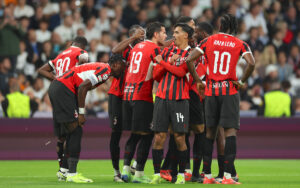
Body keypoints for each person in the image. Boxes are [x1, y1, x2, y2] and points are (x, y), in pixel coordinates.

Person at [186, 14, 255, 184]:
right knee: (229, 132)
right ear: (233, 26)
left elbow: (189, 59)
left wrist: (198, 81)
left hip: (210, 91)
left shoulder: (209, 40)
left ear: (220, 25)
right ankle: (227, 176)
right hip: (228, 90)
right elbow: (251, 63)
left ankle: (207, 176)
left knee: (210, 132)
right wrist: (241, 81)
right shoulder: (240, 43)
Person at [48, 54, 126, 183]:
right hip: (63, 89)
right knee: (76, 130)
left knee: (71, 132)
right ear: (116, 64)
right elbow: (83, 87)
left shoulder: (100, 67)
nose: (124, 70)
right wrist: (82, 113)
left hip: (57, 87)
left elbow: (81, 85)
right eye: (123, 66)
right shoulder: (106, 70)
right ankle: (72, 174)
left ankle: (64, 171)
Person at [37, 36, 88, 181]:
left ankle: (62, 169)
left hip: (56, 93)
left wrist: (57, 79)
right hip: (68, 93)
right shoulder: (81, 52)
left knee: (62, 136)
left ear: (71, 43)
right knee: (74, 130)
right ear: (83, 45)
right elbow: (84, 64)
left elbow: (41, 70)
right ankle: (69, 172)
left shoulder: (61, 55)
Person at [121, 22, 166, 183]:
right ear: (156, 34)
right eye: (163, 32)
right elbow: (159, 71)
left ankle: (125, 170)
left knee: (134, 135)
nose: (165, 36)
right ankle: (139, 173)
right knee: (147, 135)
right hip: (142, 95)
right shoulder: (155, 49)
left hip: (127, 95)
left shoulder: (136, 48)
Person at [150, 23, 194, 184]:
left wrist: (163, 63)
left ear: (186, 36)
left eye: (176, 32)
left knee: (179, 138)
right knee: (159, 136)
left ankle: (181, 174)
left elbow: (181, 72)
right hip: (161, 97)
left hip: (180, 99)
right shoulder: (168, 50)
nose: (172, 35)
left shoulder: (191, 53)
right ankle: (156, 174)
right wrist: (167, 62)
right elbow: (156, 75)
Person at [107, 25, 145, 182]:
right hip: (118, 95)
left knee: (140, 130)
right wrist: (133, 38)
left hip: (134, 95)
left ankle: (132, 165)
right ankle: (116, 171)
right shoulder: (125, 49)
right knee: (116, 133)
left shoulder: (143, 50)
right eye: (139, 36)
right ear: (131, 36)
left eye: (143, 35)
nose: (142, 38)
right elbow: (115, 50)